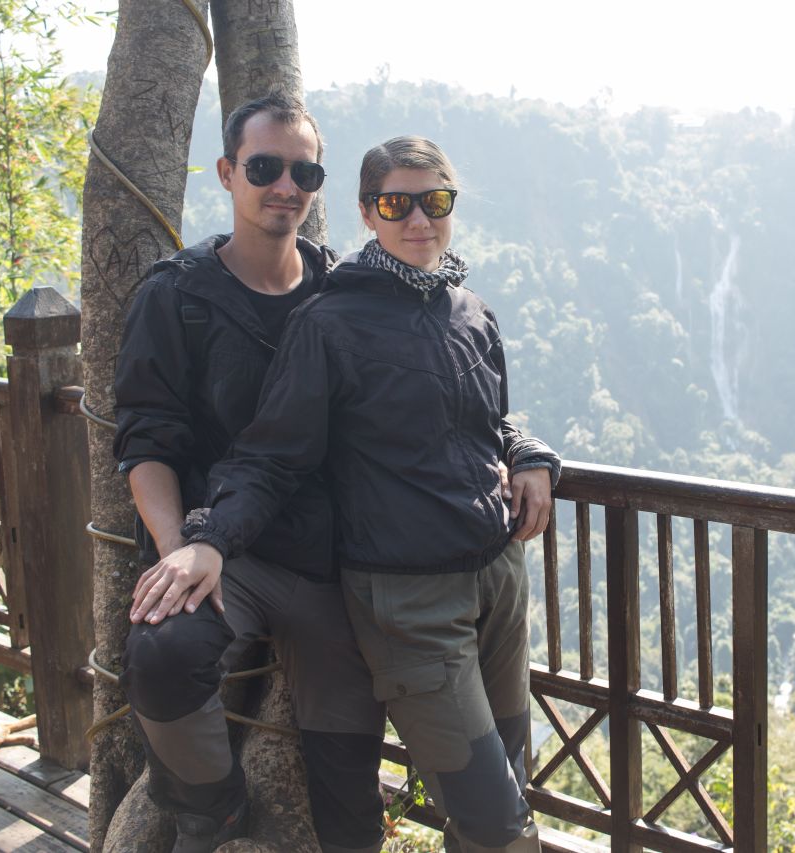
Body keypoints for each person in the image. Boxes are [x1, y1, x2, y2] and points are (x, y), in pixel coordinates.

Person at [144, 136, 558, 851]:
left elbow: (484, 424)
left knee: (507, 783)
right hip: (410, 603)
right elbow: (273, 455)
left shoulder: (470, 312)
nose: (419, 219)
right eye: (397, 204)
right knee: (495, 818)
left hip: (498, 579)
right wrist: (207, 538)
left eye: (435, 201)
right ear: (367, 212)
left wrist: (529, 454)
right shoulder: (330, 323)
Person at [113, 92, 386, 853]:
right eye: (264, 168)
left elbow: (426, 382)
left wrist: (521, 450)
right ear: (228, 173)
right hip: (224, 551)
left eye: (305, 172)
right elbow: (146, 439)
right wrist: (179, 552)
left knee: (348, 801)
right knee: (163, 652)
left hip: (327, 561)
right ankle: (211, 805)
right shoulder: (177, 296)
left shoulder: (340, 292)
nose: (285, 186)